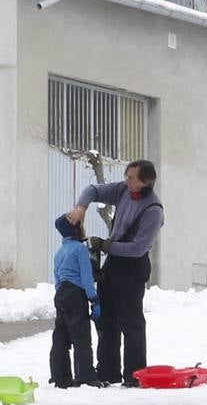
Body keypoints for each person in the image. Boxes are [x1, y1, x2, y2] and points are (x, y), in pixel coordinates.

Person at [65, 160, 164, 387]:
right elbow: (93, 190)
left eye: (131, 177)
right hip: (113, 265)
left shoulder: (153, 210)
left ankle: (134, 375)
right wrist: (81, 207)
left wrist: (107, 246)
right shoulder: (123, 190)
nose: (126, 180)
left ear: (146, 181)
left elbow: (138, 248)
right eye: (126, 175)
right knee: (106, 320)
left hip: (133, 267)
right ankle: (108, 372)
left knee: (131, 323)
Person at [49, 216, 101, 388]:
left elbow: (57, 279)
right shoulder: (79, 249)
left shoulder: (59, 252)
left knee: (61, 337)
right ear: (75, 230)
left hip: (61, 294)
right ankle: (85, 376)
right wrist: (94, 300)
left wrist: (62, 299)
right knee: (81, 337)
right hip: (75, 293)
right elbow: (87, 278)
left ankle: (59, 376)